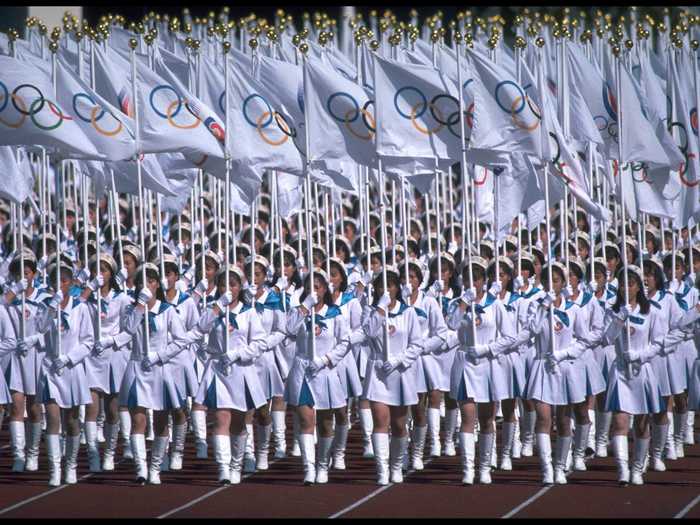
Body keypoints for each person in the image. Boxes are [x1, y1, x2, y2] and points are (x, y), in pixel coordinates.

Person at [194, 265, 268, 484]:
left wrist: (237, 354)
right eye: (224, 284)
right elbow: (200, 327)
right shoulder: (213, 309)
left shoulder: (249, 312)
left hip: (241, 369)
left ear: (240, 287)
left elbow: (260, 343)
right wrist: (217, 307)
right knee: (220, 418)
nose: (229, 289)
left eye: (233, 285)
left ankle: (237, 464)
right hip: (218, 369)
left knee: (239, 422)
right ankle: (223, 467)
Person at [119, 263, 189, 485]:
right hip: (138, 365)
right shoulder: (131, 309)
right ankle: (140, 468)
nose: (146, 286)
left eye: (150, 281)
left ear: (157, 284)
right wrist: (140, 305)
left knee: (160, 421)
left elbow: (181, 341)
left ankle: (156, 467)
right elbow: (128, 331)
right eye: (142, 282)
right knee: (138, 420)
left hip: (159, 367)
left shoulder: (167, 311)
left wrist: (160, 356)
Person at [284, 269, 352, 485]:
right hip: (303, 369)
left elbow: (345, 343)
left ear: (325, 289)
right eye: (310, 286)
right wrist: (305, 307)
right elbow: (288, 329)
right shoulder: (299, 311)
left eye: (318, 286)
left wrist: (326, 360)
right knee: (306, 420)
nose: (315, 290)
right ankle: (309, 468)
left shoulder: (335, 314)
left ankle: (323, 464)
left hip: (325, 370)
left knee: (325, 423)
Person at [362, 266, 423, 485]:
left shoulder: (408, 313)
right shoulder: (371, 311)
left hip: (400, 372)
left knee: (399, 424)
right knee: (380, 419)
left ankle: (397, 465)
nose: (385, 289)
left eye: (389, 285)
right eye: (381, 285)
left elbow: (417, 344)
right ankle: (382, 469)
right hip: (379, 371)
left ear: (398, 288)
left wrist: (398, 360)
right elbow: (367, 332)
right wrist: (380, 309)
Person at [36, 262, 94, 486]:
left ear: (71, 284)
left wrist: (70, 358)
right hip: (51, 367)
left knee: (71, 421)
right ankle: (54, 468)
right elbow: (40, 328)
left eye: (64, 281)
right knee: (52, 418)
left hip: (71, 368)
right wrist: (52, 307)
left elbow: (88, 342)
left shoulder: (80, 308)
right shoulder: (46, 306)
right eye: (55, 281)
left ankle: (71, 465)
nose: (59, 285)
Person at [81, 253, 133, 472]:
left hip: (113, 356)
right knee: (91, 407)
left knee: (113, 409)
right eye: (95, 270)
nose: (99, 274)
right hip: (92, 357)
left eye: (103, 270)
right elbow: (73, 314)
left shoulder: (121, 299)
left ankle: (110, 453)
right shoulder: (86, 300)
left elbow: (129, 331)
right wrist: (88, 289)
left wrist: (111, 341)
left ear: (112, 274)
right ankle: (93, 453)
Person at [2, 251, 50, 472]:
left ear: (34, 273)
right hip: (15, 357)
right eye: (18, 273)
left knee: (34, 408)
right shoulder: (8, 298)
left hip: (36, 356)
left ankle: (32, 453)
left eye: (27, 272)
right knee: (16, 405)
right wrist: (14, 291)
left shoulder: (44, 298)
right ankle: (19, 455)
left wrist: (33, 340)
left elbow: (50, 331)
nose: (24, 276)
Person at [400, 259, 449, 470]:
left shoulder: (428, 302)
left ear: (420, 280)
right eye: (404, 277)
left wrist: (421, 347)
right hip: (399, 363)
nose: (408, 281)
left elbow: (441, 333)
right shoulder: (395, 302)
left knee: (419, 409)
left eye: (412, 277)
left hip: (420, 361)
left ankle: (417, 452)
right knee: (399, 411)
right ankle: (400, 452)